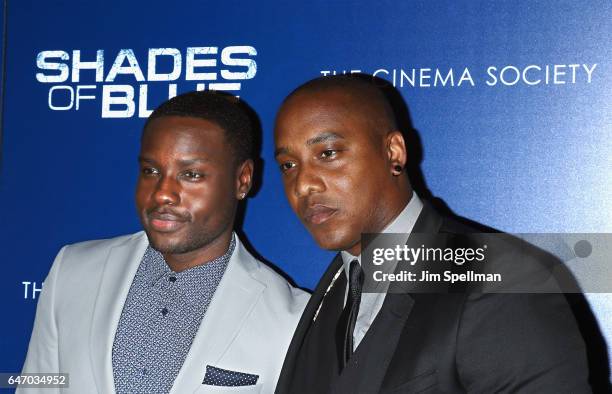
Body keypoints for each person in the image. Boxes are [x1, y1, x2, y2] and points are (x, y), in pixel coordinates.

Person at [273, 75, 591, 393]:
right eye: (288, 165)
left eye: (328, 153)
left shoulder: (500, 278)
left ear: (394, 152)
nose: (303, 185)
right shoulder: (328, 297)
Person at [20, 91, 309, 394]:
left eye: (191, 174)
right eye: (151, 171)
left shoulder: (290, 319)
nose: (162, 194)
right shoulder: (73, 269)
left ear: (242, 180)